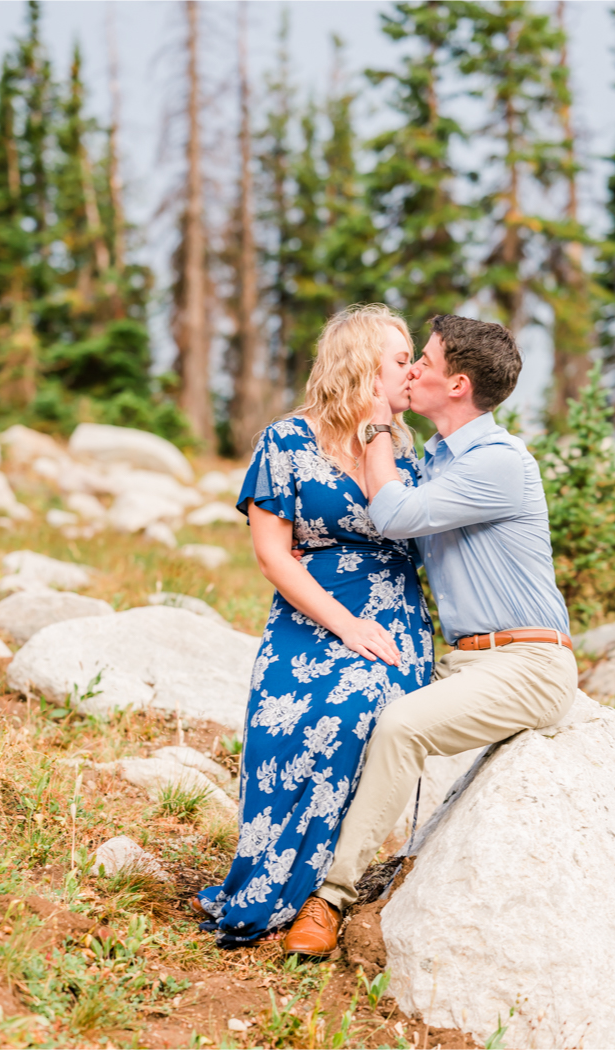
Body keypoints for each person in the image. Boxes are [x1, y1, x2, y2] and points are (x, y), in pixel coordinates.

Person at [282, 313, 577, 956]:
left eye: (427, 362)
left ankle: (328, 897)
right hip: (466, 660)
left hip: (527, 663)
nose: (411, 370)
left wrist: (379, 429)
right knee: (348, 701)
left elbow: (393, 516)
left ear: (458, 385)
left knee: (402, 726)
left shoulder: (498, 462)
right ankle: (284, 868)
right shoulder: (439, 459)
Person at [192, 304, 435, 946]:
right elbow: (273, 554)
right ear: (361, 365)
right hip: (313, 611)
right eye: (401, 359)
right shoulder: (287, 441)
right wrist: (344, 623)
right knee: (279, 727)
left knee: (360, 704)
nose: (412, 372)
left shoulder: (410, 454)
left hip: (393, 618)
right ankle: (267, 886)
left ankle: (325, 894)